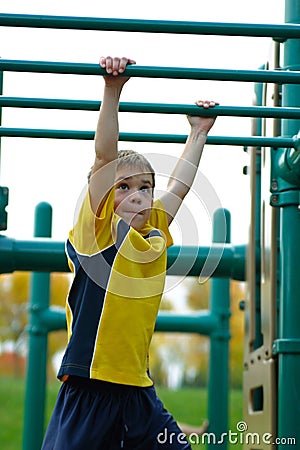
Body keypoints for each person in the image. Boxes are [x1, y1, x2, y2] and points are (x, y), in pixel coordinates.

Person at [42, 56, 217, 450]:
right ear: (104, 194)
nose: (136, 194)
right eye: (123, 187)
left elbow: (179, 189)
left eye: (144, 186)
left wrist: (198, 134)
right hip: (91, 385)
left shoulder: (152, 234)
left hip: (138, 389)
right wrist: (112, 91)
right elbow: (105, 158)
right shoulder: (97, 232)